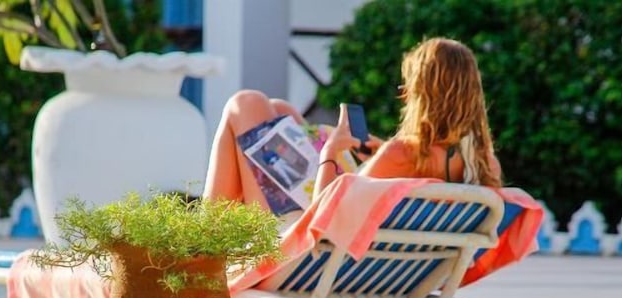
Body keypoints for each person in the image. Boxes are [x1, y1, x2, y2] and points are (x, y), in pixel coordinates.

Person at [202, 37, 503, 211]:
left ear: (421, 95)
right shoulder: (485, 165)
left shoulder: (401, 155)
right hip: (390, 265)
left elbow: (324, 216)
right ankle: (209, 249)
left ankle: (205, 256)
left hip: (311, 258)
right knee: (282, 112)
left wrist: (330, 153)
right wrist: (382, 154)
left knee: (245, 103)